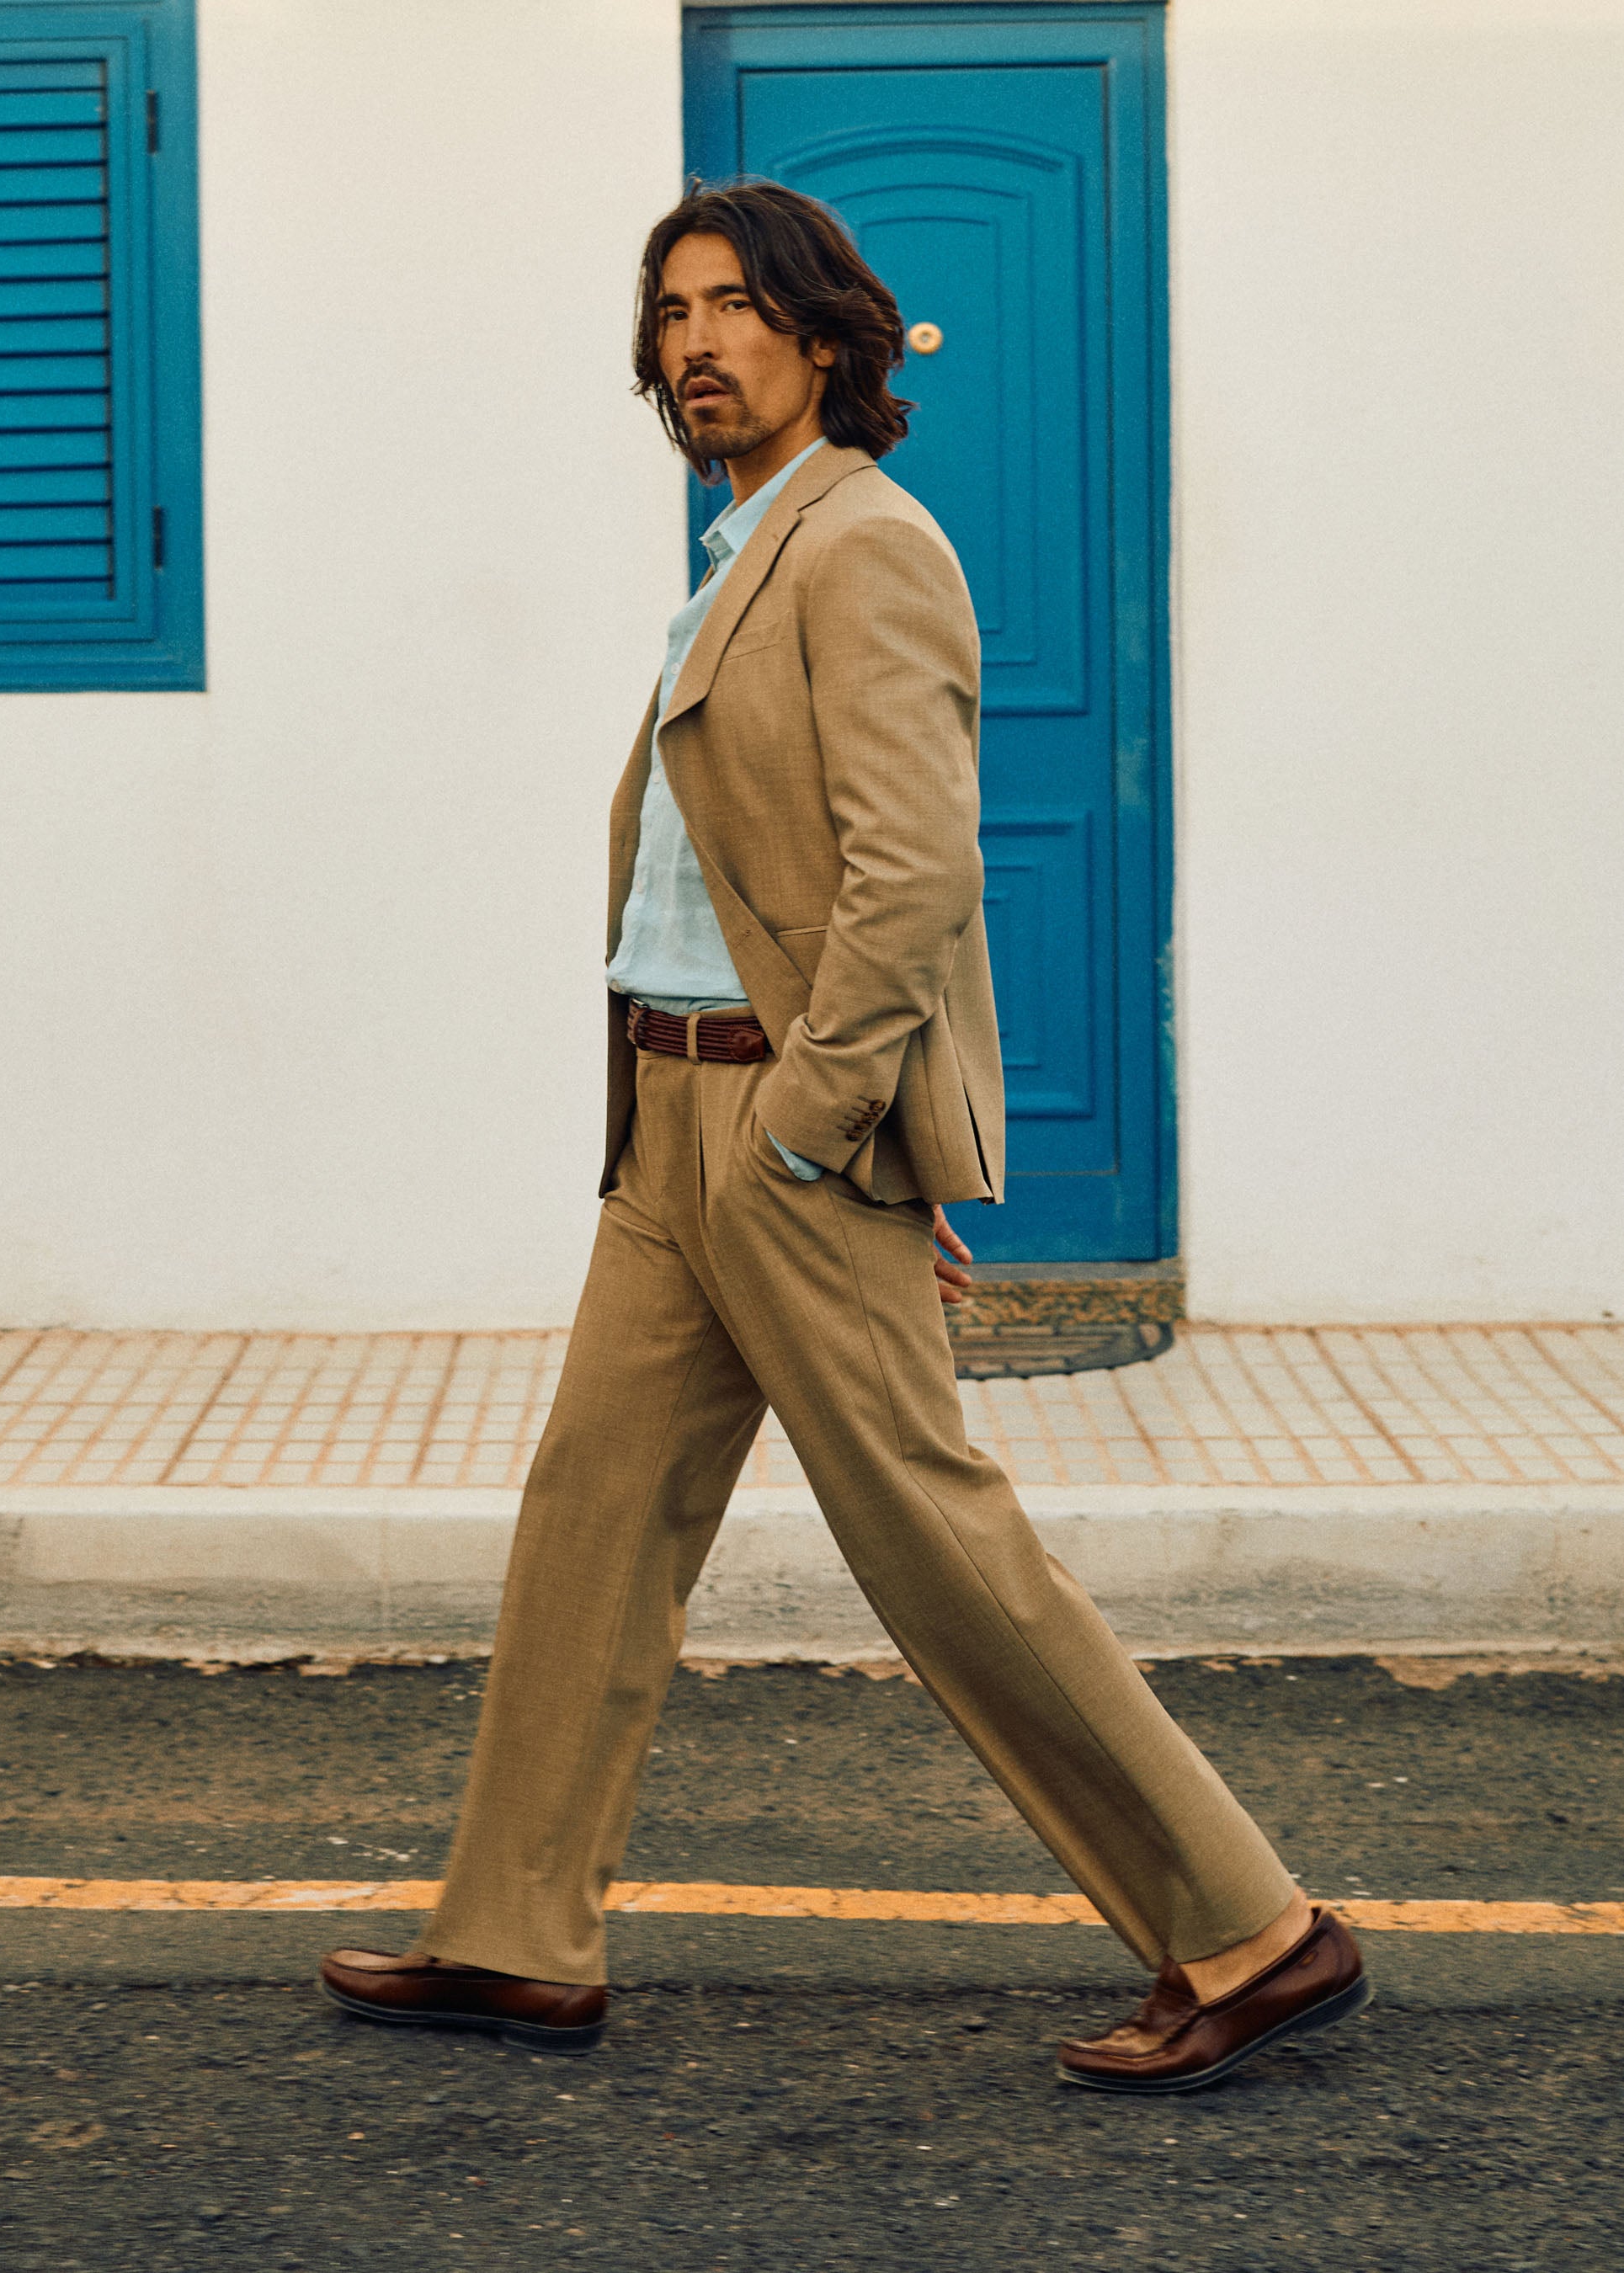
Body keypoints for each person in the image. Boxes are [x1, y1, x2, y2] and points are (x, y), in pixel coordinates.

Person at [320, 180, 1368, 2093]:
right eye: (670, 314)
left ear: (821, 336)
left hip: (767, 1119)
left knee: (931, 1540)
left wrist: (816, 1125)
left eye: (733, 306)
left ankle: (1247, 1928)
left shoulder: (864, 541)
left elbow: (912, 870)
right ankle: (513, 1935)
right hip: (667, 1122)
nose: (695, 344)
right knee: (591, 1516)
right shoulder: (741, 553)